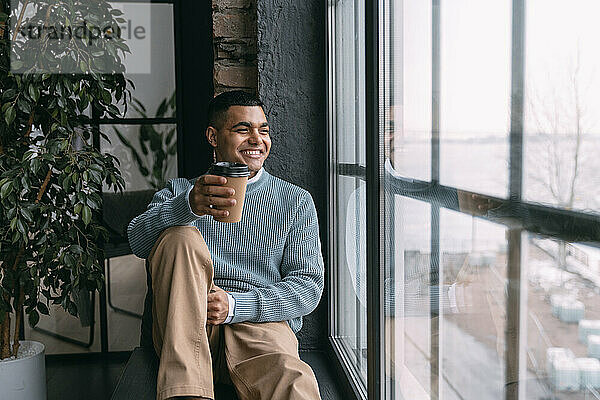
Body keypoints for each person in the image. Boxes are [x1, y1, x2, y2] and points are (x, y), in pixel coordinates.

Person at [127, 90, 324, 400]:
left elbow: (308, 287)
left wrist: (234, 305)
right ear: (213, 136)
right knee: (181, 236)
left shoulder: (295, 201)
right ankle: (187, 393)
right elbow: (137, 239)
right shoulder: (182, 191)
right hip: (187, 326)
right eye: (243, 129)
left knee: (295, 383)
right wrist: (188, 206)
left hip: (259, 328)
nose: (257, 139)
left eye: (264, 130)